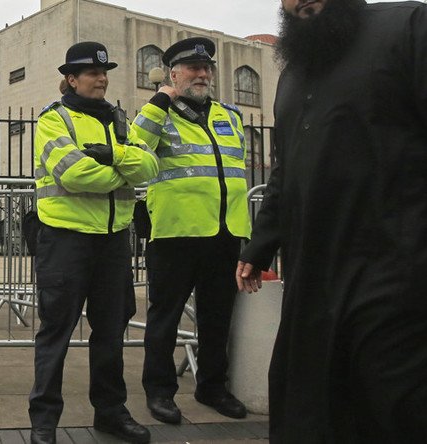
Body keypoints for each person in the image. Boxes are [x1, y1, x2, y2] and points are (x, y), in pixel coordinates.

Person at [235, 0, 427, 441]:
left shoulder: (414, 27)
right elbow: (286, 170)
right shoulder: (293, 75)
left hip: (409, 274)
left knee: (415, 411)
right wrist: (262, 241)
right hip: (318, 280)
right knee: (316, 407)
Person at [29, 41, 159, 444]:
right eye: (92, 73)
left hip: (113, 241)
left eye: (104, 73)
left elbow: (151, 166)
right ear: (71, 79)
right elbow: (74, 174)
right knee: (56, 332)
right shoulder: (54, 120)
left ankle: (110, 411)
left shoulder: (119, 119)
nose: (102, 79)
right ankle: (44, 419)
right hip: (66, 239)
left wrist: (113, 157)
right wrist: (124, 170)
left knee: (110, 331)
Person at [130, 37, 251, 424]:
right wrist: (159, 101)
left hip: (225, 233)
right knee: (164, 319)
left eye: (207, 68)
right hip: (177, 234)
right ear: (173, 74)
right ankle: (160, 391)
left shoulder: (230, 115)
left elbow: (235, 168)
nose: (202, 74)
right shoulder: (158, 114)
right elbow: (135, 149)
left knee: (218, 318)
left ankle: (213, 386)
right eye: (193, 68)